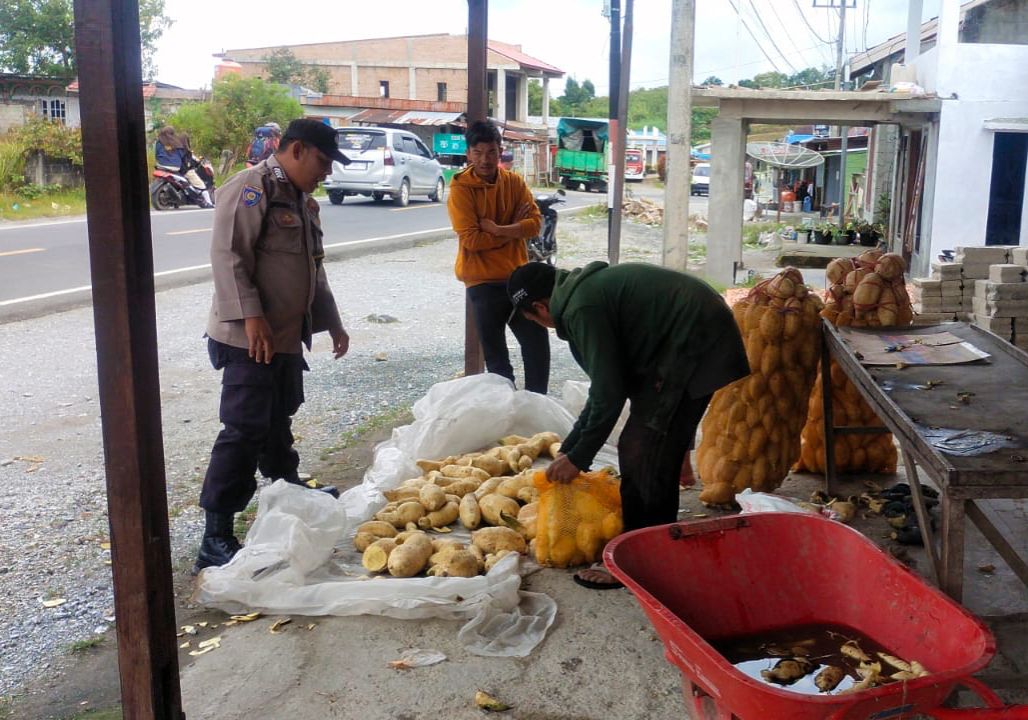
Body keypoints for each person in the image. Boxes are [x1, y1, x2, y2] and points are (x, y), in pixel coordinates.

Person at [507, 261, 750, 588]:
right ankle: (658, 541)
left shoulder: (583, 308)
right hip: (689, 335)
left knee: (641, 449)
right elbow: (602, 390)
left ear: (540, 306)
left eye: (533, 319)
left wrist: (579, 459)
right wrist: (571, 448)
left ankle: (637, 560)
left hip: (696, 336)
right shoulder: (580, 296)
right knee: (652, 440)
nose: (540, 325)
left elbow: (610, 393)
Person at [194, 118, 352, 574]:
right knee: (244, 430)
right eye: (323, 162)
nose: (327, 173)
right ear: (297, 150)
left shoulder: (305, 203)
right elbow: (228, 256)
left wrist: (332, 324)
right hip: (249, 338)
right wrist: (252, 317)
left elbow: (313, 271)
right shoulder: (252, 187)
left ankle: (288, 493)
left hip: (282, 338)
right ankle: (216, 536)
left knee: (277, 420)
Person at [448, 120, 550, 393]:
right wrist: (514, 231)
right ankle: (504, 414)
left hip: (516, 278)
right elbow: (471, 240)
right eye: (478, 153)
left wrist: (496, 228)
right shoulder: (460, 189)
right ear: (468, 153)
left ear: (500, 151)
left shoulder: (514, 182)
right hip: (481, 282)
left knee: (537, 344)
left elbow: (536, 224)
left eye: (491, 152)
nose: (485, 160)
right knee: (497, 361)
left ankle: (536, 405)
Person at [154, 126, 213, 208]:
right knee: (201, 185)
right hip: (178, 169)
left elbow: (156, 154)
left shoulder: (158, 142)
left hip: (160, 165)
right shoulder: (177, 144)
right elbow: (185, 159)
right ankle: (208, 203)